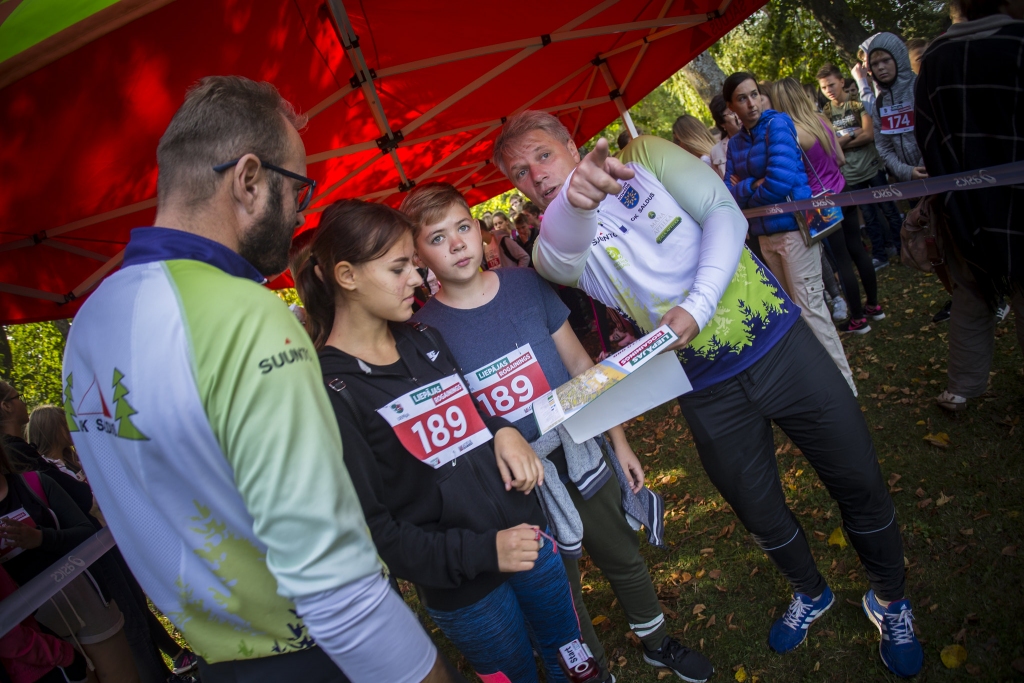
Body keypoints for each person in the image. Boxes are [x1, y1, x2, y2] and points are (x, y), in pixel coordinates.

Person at [491, 109, 923, 678]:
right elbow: (563, 252)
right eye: (520, 172)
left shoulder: (642, 156)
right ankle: (809, 591)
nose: (536, 176)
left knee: (858, 477)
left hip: (778, 343)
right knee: (758, 509)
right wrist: (574, 200)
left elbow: (723, 211)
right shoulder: (551, 240)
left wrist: (698, 304)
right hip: (703, 387)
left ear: (572, 145)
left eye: (543, 155)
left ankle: (891, 600)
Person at [61, 76, 459, 683]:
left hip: (218, 662)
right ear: (249, 180)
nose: (301, 206)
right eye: (297, 185)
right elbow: (335, 585)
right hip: (321, 654)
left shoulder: (91, 322)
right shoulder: (245, 315)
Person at [402, 182, 714, 683]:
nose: (457, 244)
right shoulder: (424, 334)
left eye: (462, 228)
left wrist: (620, 440)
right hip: (518, 484)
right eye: (437, 238)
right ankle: (592, 670)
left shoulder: (526, 286)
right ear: (418, 254)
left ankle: (657, 641)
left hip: (581, 451)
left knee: (621, 556)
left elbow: (579, 364)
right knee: (560, 593)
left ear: (481, 232)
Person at [295, 198, 589, 683]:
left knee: (573, 662)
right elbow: (377, 530)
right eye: (398, 268)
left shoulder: (424, 338)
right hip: (466, 590)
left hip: (529, 536)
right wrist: (483, 552)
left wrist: (506, 431)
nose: (417, 279)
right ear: (346, 276)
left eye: (414, 265)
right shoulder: (330, 390)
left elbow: (475, 420)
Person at [915, 0, 1024, 412]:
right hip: (1010, 205)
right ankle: (962, 385)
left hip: (962, 208)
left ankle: (961, 388)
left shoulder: (935, 61)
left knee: (971, 294)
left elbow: (927, 137)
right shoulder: (1017, 43)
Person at [723, 73, 856, 391]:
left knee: (811, 309)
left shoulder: (778, 124)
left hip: (796, 231)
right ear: (731, 107)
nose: (752, 103)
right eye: (743, 98)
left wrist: (748, 188)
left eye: (755, 94)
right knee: (794, 315)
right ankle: (823, 385)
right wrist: (751, 186)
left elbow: (780, 181)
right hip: (765, 238)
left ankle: (845, 387)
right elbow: (728, 190)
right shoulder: (735, 144)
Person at [0, 433, 139, 683]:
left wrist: (40, 538)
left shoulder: (33, 483)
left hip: (86, 602)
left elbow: (87, 531)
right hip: (38, 630)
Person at [770, 78, 884, 335]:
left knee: (842, 259)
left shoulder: (791, 133)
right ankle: (874, 306)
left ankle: (857, 318)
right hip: (843, 189)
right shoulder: (821, 119)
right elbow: (840, 159)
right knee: (858, 250)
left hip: (821, 201)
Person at [817, 63, 903, 269]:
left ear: (842, 82)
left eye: (831, 85)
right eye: (823, 87)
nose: (828, 90)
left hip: (872, 167)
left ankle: (904, 250)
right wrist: (854, 134)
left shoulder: (858, 105)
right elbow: (830, 146)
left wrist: (844, 138)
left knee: (890, 210)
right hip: (851, 174)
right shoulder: (825, 115)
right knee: (869, 216)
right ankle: (880, 256)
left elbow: (869, 134)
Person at [864, 34, 928, 183]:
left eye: (886, 60)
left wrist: (923, 168)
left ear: (898, 58)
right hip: (908, 183)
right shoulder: (879, 104)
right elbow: (883, 147)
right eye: (875, 64)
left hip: (937, 175)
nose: (880, 67)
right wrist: (906, 172)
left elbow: (937, 134)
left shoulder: (923, 89)